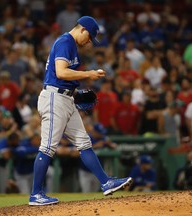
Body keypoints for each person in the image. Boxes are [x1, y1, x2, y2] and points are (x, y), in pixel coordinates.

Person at [29, 16, 132, 206]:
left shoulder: (71, 46)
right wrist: (89, 74)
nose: (90, 42)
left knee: (84, 142)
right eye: (90, 37)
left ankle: (106, 182)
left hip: (65, 98)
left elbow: (64, 76)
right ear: (83, 29)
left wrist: (75, 92)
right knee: (48, 147)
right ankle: (36, 194)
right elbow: (61, 72)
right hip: (54, 98)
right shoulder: (65, 41)